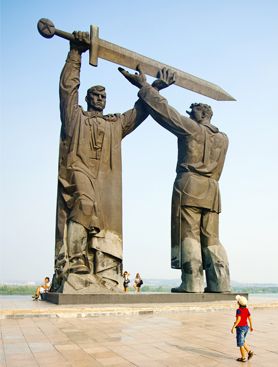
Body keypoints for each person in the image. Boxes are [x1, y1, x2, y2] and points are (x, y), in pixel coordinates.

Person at [119, 67, 230, 293]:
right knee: (212, 238)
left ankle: (192, 283)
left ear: (200, 115)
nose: (190, 116)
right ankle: (221, 283)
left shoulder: (192, 130)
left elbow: (165, 112)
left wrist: (146, 86)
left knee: (189, 234)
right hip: (212, 189)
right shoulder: (223, 138)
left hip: (189, 185)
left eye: (193, 113)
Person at [52, 32, 148, 293]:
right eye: (95, 95)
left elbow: (138, 113)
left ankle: (104, 270)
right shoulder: (75, 118)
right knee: (84, 203)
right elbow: (67, 90)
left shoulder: (114, 124)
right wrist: (75, 53)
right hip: (78, 168)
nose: (100, 99)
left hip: (103, 178)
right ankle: (74, 263)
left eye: (103, 97)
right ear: (87, 98)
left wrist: (151, 89)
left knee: (104, 217)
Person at [231, 295, 254, 362]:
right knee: (243, 341)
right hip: (246, 327)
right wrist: (251, 326)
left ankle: (243, 358)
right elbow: (249, 318)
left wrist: (233, 327)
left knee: (240, 343)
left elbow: (239, 319)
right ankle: (250, 352)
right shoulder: (246, 310)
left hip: (240, 328)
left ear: (238, 303)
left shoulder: (238, 310)